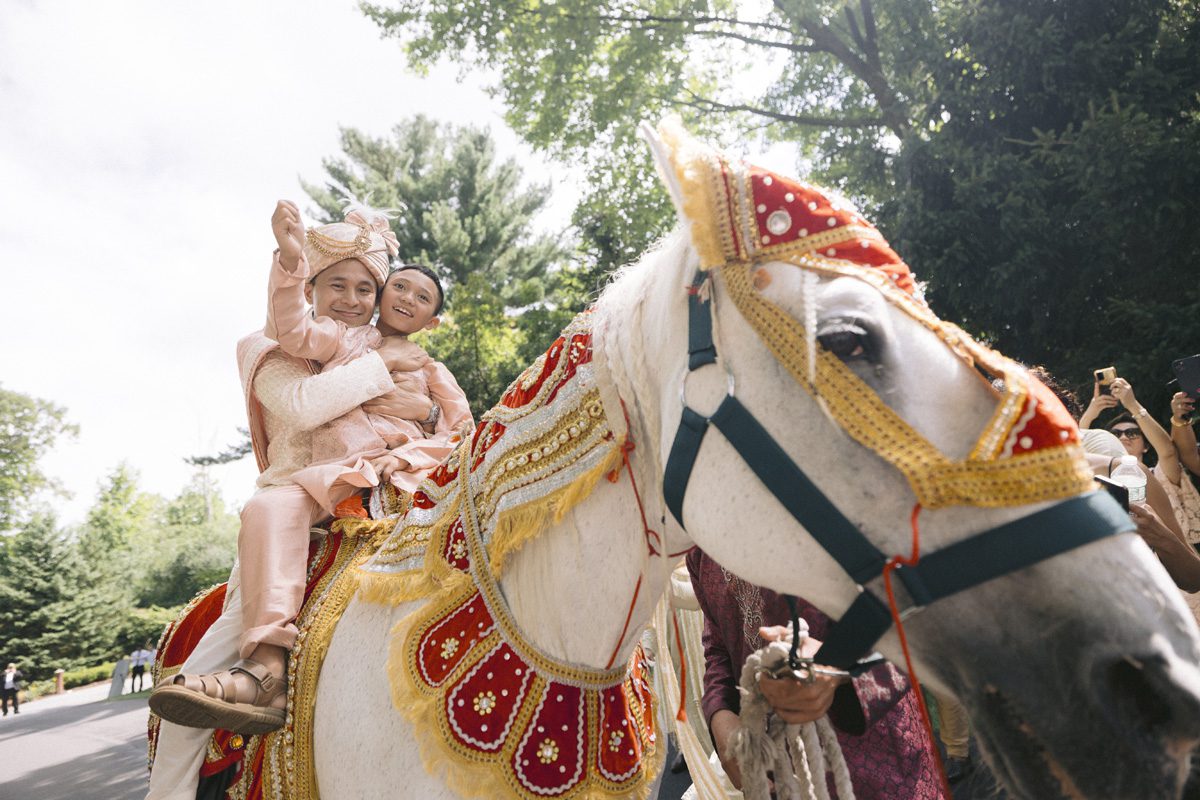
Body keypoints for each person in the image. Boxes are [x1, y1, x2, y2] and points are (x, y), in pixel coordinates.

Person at [147, 204, 460, 800]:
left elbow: (456, 419)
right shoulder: (270, 346)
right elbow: (306, 405)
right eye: (335, 284)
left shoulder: (415, 360)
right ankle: (240, 698)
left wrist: (427, 415)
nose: (350, 297)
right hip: (301, 502)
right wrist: (289, 266)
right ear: (310, 286)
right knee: (194, 678)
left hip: (390, 485)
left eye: (364, 287)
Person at [686, 549, 946, 799]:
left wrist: (837, 666)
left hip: (877, 764)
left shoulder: (847, 508)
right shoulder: (701, 544)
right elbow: (718, 646)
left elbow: (918, 616)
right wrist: (720, 712)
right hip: (776, 772)